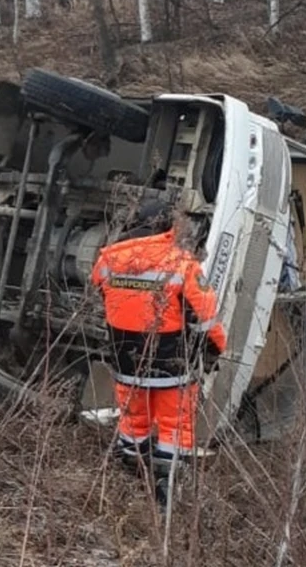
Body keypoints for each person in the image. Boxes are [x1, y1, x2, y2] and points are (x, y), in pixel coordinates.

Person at [89, 201, 228, 496]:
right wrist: (215, 349)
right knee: (174, 425)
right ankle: (166, 489)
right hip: (170, 364)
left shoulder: (107, 260)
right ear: (169, 227)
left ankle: (130, 477)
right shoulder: (182, 265)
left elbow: (102, 293)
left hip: (125, 360)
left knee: (133, 419)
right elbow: (205, 316)